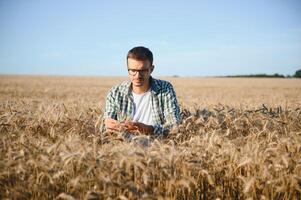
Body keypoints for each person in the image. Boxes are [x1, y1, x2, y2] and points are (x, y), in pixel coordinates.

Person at [103, 46, 181, 138]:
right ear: (128, 69)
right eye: (133, 70)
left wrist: (149, 129)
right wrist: (110, 126)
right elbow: (105, 127)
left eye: (142, 71)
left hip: (158, 147)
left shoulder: (165, 89)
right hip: (123, 147)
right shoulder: (115, 93)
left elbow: (174, 126)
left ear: (151, 69)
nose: (137, 76)